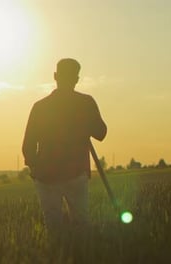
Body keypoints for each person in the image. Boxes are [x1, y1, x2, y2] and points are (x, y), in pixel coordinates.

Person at [22, 58, 107, 230]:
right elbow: (101, 133)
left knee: (54, 229)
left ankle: (58, 255)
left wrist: (35, 168)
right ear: (76, 79)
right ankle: (80, 255)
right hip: (74, 173)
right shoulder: (86, 102)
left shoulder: (41, 106)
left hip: (48, 176)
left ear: (55, 76)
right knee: (81, 225)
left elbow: (28, 144)